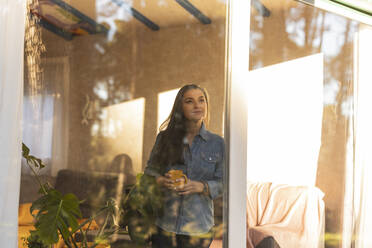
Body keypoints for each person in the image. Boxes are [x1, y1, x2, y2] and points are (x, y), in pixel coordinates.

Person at [144, 84, 225, 248]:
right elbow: (149, 174)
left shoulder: (218, 143)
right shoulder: (164, 138)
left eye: (201, 100)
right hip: (165, 227)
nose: (197, 105)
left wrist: (201, 186)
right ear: (180, 108)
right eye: (190, 101)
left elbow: (225, 183)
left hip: (199, 229)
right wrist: (160, 181)